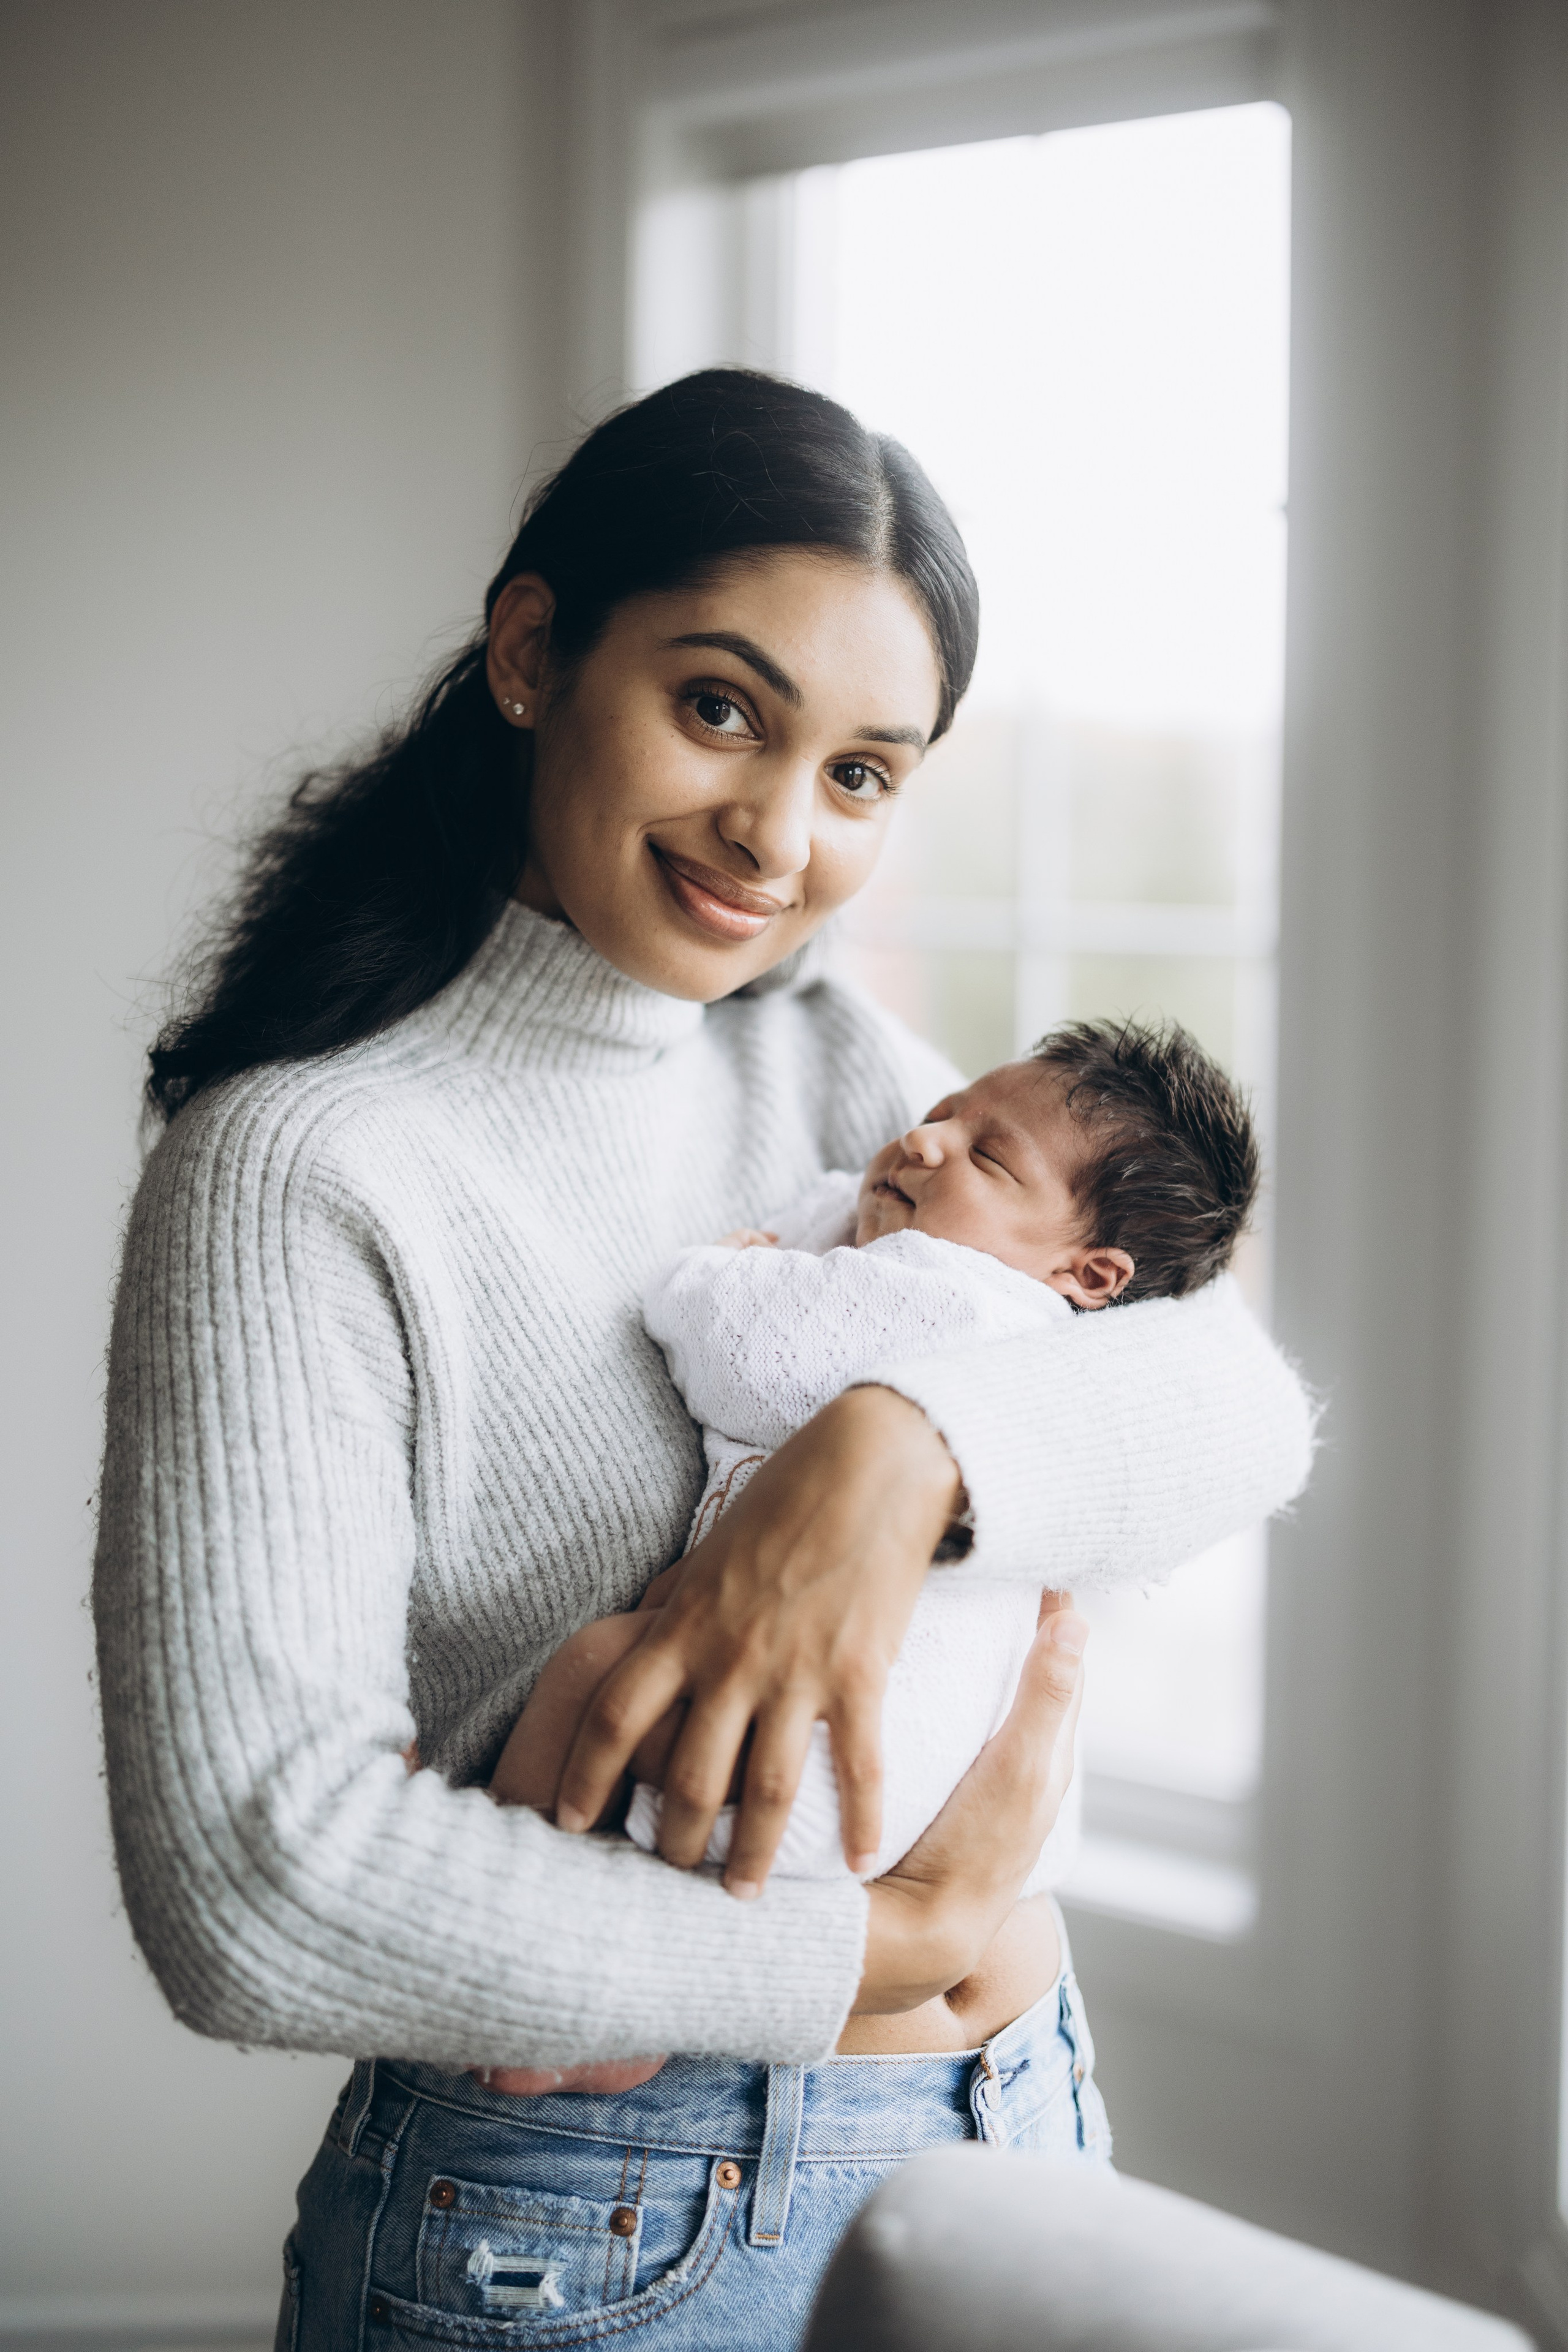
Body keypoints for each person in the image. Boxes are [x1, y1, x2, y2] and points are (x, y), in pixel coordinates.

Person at [92, 368, 1314, 2351]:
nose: (776, 834)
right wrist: (869, 1948)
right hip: (594, 2227)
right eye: (721, 708)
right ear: (529, 653)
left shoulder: (818, 1051)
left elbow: (1241, 1404)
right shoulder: (307, 1170)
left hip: (1012, 2122)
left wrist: (893, 1457)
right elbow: (260, 1881)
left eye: (863, 774)